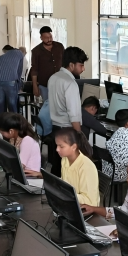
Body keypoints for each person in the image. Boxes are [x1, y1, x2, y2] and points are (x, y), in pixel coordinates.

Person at [47, 46, 87, 176]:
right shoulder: (70, 83)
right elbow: (74, 115)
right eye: (81, 65)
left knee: (57, 167)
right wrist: (79, 137)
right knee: (69, 171)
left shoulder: (53, 78)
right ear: (71, 65)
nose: (83, 69)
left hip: (55, 129)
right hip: (67, 132)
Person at [55, 128, 99, 207]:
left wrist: (65, 193)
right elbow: (65, 181)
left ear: (74, 147)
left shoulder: (86, 166)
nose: (57, 149)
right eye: (57, 145)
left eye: (61, 146)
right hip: (70, 203)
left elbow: (90, 201)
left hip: (85, 209)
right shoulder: (65, 159)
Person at [29, 26, 65, 103]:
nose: (49, 40)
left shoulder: (59, 46)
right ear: (41, 38)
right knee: (48, 104)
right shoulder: (36, 51)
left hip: (60, 83)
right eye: (46, 38)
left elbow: (65, 62)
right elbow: (34, 69)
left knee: (60, 104)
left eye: (50, 37)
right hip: (45, 84)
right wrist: (35, 86)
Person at [0, 45, 24, 114]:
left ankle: (1, 120)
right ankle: (13, 120)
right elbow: (19, 71)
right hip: (10, 80)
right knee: (12, 104)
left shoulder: (0, 57)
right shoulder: (20, 53)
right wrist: (18, 85)